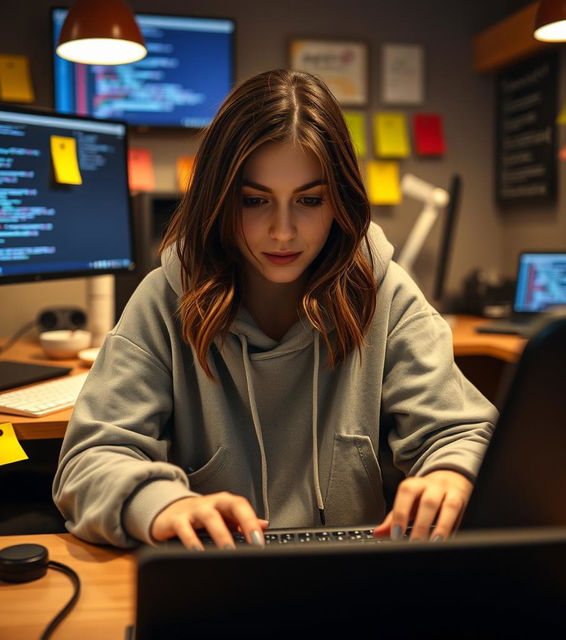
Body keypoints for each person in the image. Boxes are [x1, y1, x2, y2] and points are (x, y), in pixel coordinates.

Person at [53, 69, 497, 550]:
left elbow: (464, 430)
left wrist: (453, 472)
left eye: (308, 200)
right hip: (215, 580)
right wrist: (162, 504)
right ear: (219, 201)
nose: (282, 232)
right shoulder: (166, 297)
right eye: (254, 200)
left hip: (349, 585)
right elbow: (89, 459)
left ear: (338, 201)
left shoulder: (380, 287)